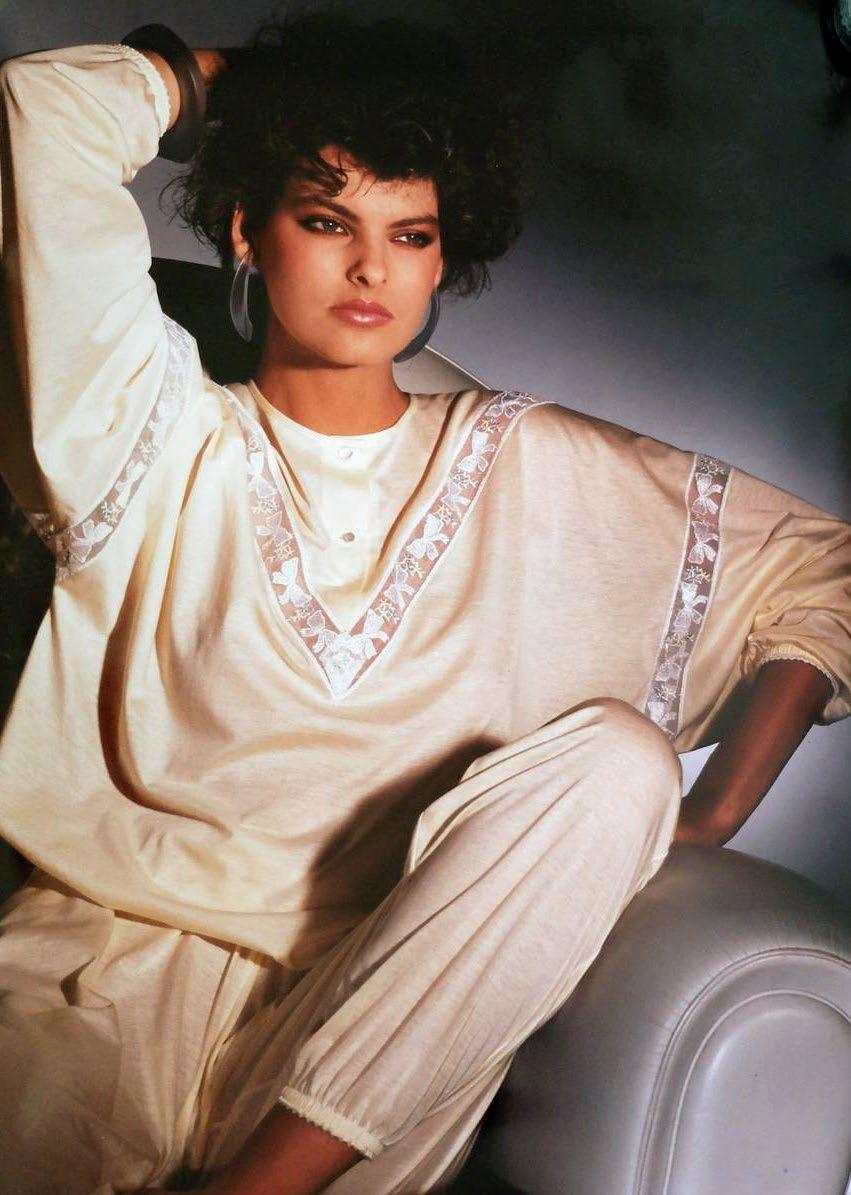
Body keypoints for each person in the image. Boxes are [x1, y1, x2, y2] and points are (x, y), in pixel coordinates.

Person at [0, 11, 848, 1195]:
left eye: (409, 234)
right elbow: (41, 113)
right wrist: (282, 88)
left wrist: (702, 814)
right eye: (324, 220)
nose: (370, 270)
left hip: (371, 1036)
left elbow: (823, 571)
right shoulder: (146, 431)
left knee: (619, 762)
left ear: (442, 259)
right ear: (245, 228)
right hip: (97, 989)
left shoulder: (528, 460)